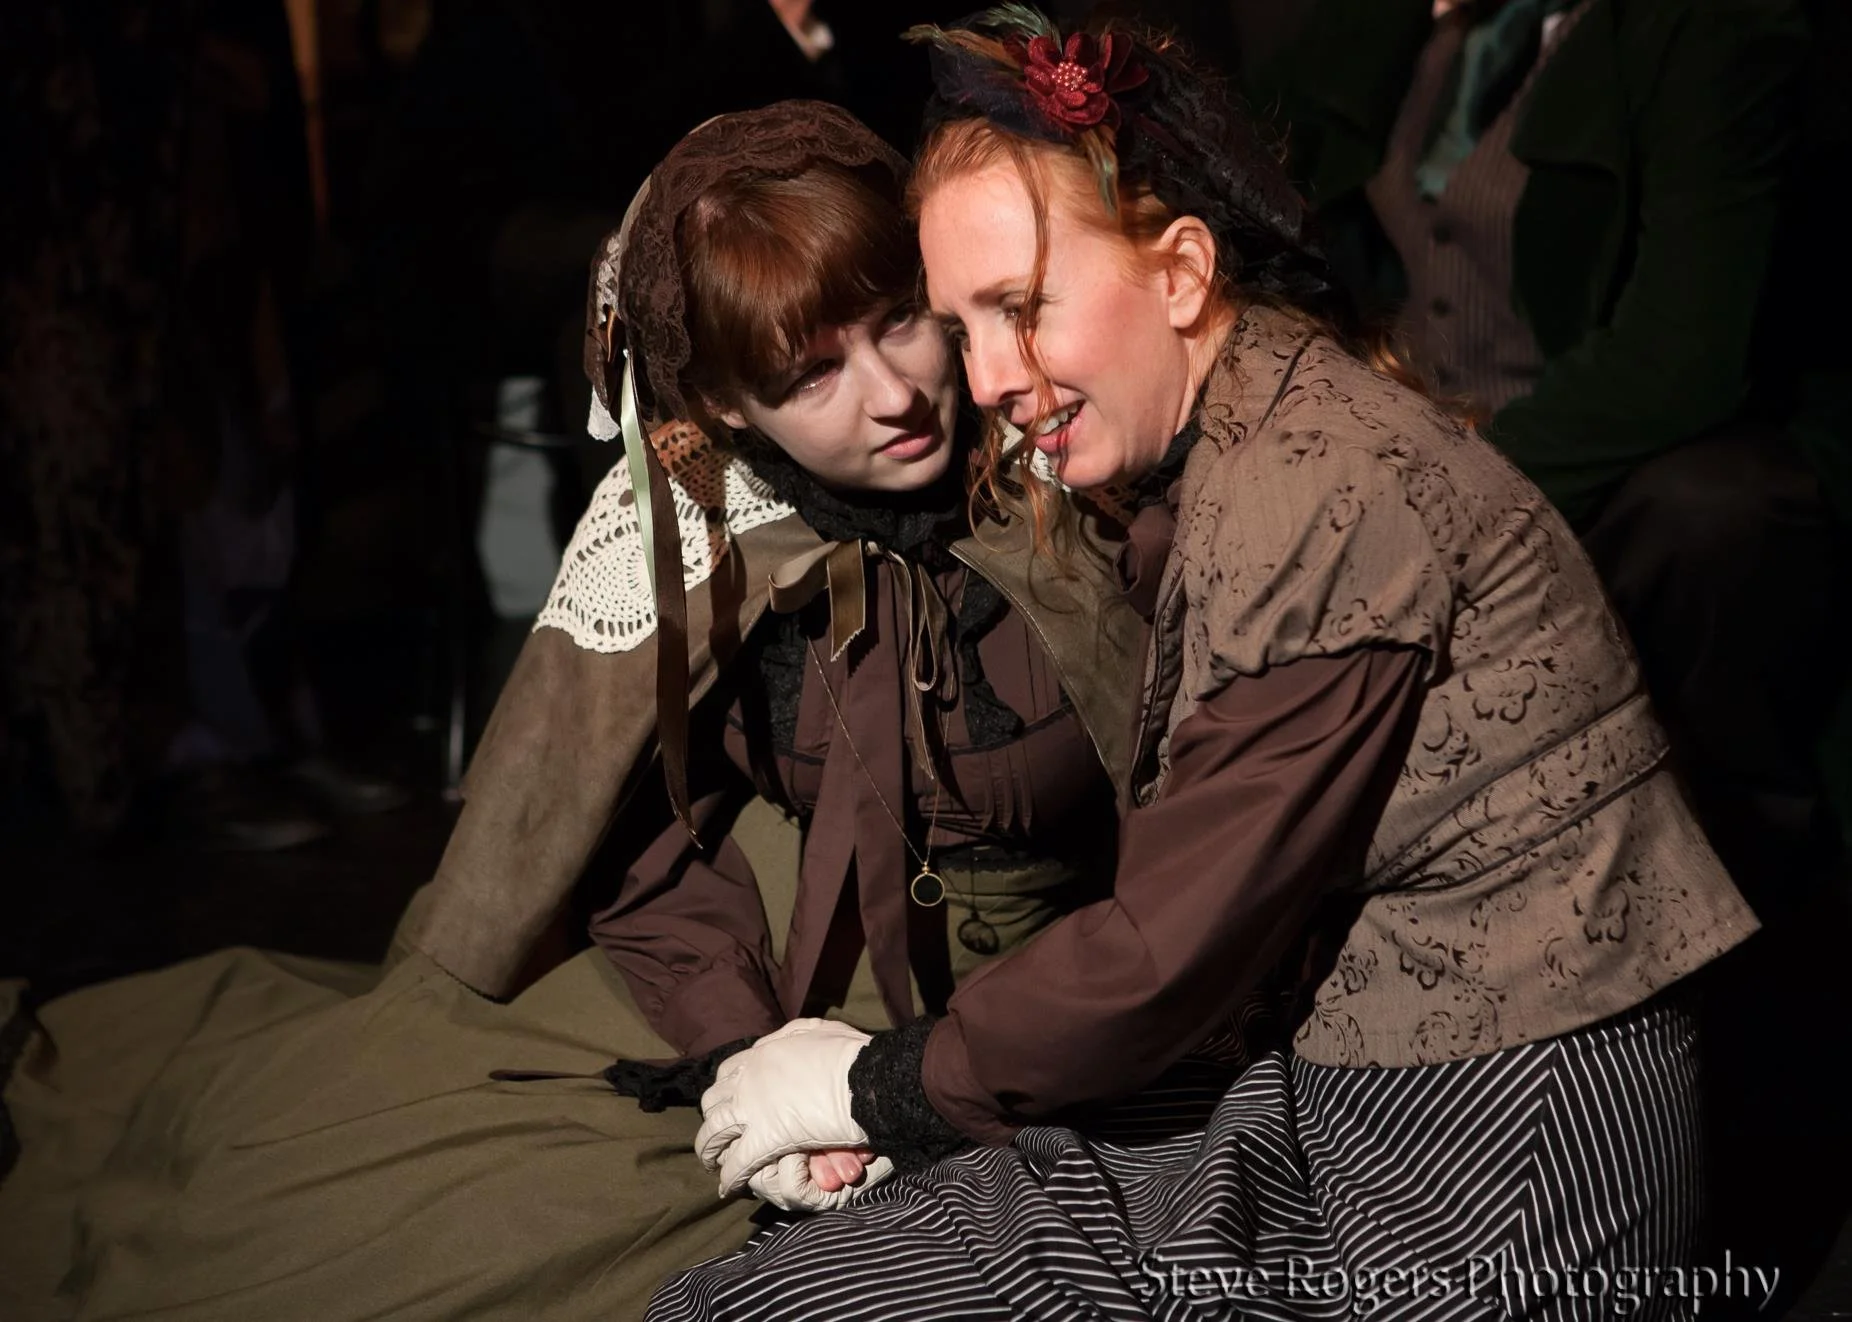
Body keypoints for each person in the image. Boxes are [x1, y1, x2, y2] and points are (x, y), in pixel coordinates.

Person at [648, 11, 1760, 1319]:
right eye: (961, 325)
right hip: (1348, 1082)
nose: (984, 377)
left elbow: (1164, 949)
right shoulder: (1245, 432)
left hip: (1495, 1168)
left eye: (1021, 309)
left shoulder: (1323, 492)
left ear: (1179, 272)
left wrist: (875, 1083)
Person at [0, 101, 1144, 1321]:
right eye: (812, 372)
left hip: (1020, 1015)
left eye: (898, 318)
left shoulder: (1068, 463)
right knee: (339, 1205)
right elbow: (654, 850)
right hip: (740, 973)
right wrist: (740, 1047)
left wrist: (899, 1084)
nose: (895, 394)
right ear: (727, 407)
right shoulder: (713, 540)